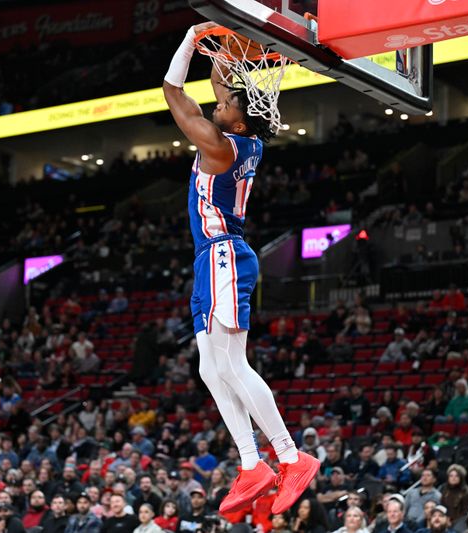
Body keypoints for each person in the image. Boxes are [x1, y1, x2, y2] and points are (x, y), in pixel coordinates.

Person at [163, 21, 317, 515]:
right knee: (211, 368)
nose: (217, 103)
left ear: (238, 121)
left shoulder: (218, 145)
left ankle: (292, 456)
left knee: (232, 364)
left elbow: (173, 92)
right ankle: (252, 463)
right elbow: (222, 83)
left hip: (224, 254)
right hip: (214, 257)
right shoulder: (242, 137)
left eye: (225, 106)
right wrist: (225, 41)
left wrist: (190, 41)